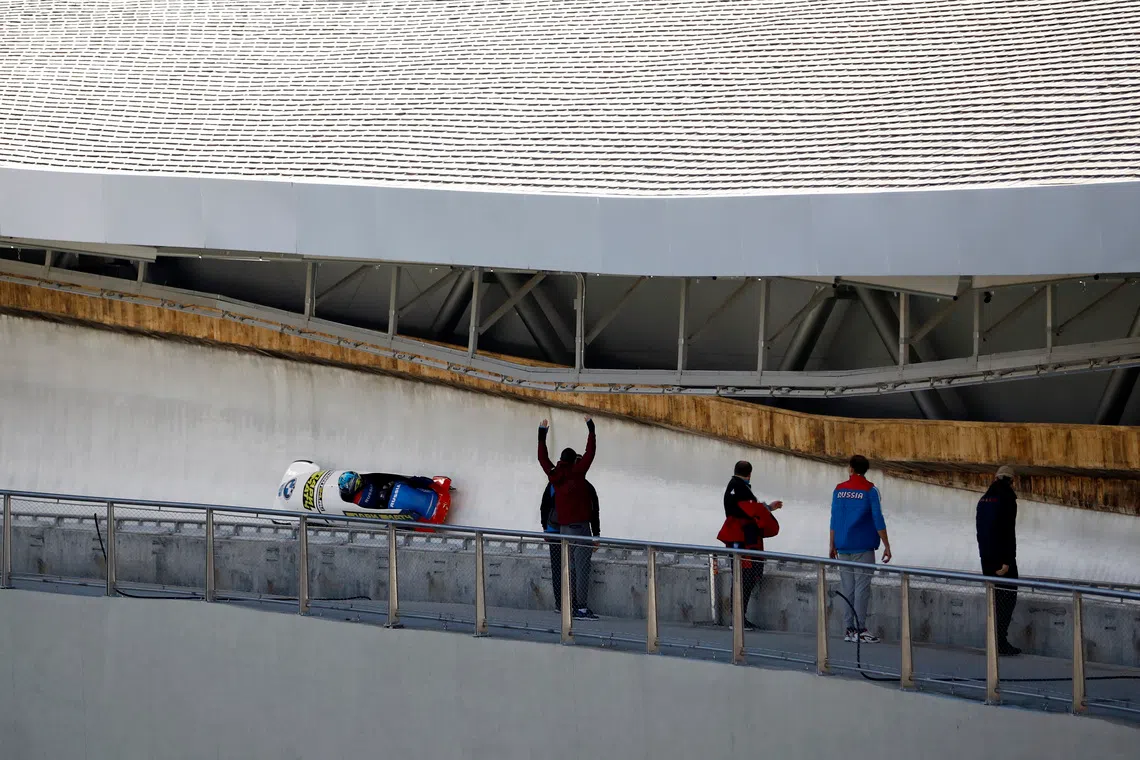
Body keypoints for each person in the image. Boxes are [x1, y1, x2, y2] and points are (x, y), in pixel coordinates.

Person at [538, 416, 598, 619]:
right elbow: (590, 453)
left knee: (569, 568)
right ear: (574, 460)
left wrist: (541, 434)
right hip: (579, 528)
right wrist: (591, 429)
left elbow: (542, 459)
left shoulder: (554, 475)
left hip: (563, 530)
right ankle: (580, 606)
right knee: (581, 568)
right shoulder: (578, 473)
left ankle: (569, 604)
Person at [829, 455, 892, 643]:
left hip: (842, 545)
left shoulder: (839, 490)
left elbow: (834, 518)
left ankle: (849, 629)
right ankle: (860, 628)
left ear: (850, 469)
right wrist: (887, 545)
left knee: (848, 588)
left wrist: (832, 544)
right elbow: (877, 519)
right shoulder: (870, 490)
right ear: (865, 470)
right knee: (862, 589)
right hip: (862, 546)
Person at [716, 460, 782, 630]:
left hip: (738, 539)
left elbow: (749, 509)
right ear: (750, 474)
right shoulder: (741, 488)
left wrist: (768, 507)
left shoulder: (734, 486)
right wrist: (768, 509)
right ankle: (738, 619)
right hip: (743, 540)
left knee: (742, 576)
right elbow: (752, 511)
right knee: (744, 576)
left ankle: (738, 617)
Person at [540, 469, 600, 613]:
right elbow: (593, 511)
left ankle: (562, 604)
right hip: (573, 534)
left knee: (560, 568)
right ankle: (577, 605)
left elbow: (544, 506)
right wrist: (596, 534)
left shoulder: (555, 484)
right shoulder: (585, 486)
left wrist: (545, 528)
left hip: (555, 532)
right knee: (576, 569)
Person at [977, 465, 1021, 656]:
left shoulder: (983, 499)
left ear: (995, 478)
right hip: (1002, 560)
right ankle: (999, 641)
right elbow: (1007, 531)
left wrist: (986, 559)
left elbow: (981, 531)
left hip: (986, 558)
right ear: (1012, 480)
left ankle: (992, 640)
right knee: (1007, 598)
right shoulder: (1008, 498)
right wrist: (1007, 560)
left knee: (993, 600)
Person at [337, 471, 434, 509]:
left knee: (410, 481)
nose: (360, 481)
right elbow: (377, 507)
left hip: (391, 488)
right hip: (388, 502)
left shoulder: (367, 479)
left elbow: (381, 478)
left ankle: (431, 485)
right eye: (357, 482)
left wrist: (389, 484)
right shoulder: (361, 501)